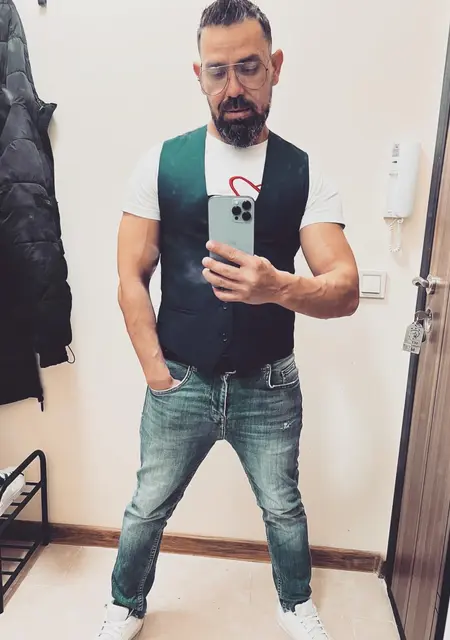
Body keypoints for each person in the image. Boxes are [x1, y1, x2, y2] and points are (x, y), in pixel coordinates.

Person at [96, 1, 359, 638]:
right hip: (179, 379)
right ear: (199, 74)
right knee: (147, 505)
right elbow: (130, 275)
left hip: (268, 382)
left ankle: (295, 603)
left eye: (249, 67)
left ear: (275, 67)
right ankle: (124, 605)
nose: (233, 87)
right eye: (218, 71)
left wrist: (278, 286)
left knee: (283, 507)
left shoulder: (305, 173)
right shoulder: (160, 163)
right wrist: (155, 371)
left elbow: (345, 288)